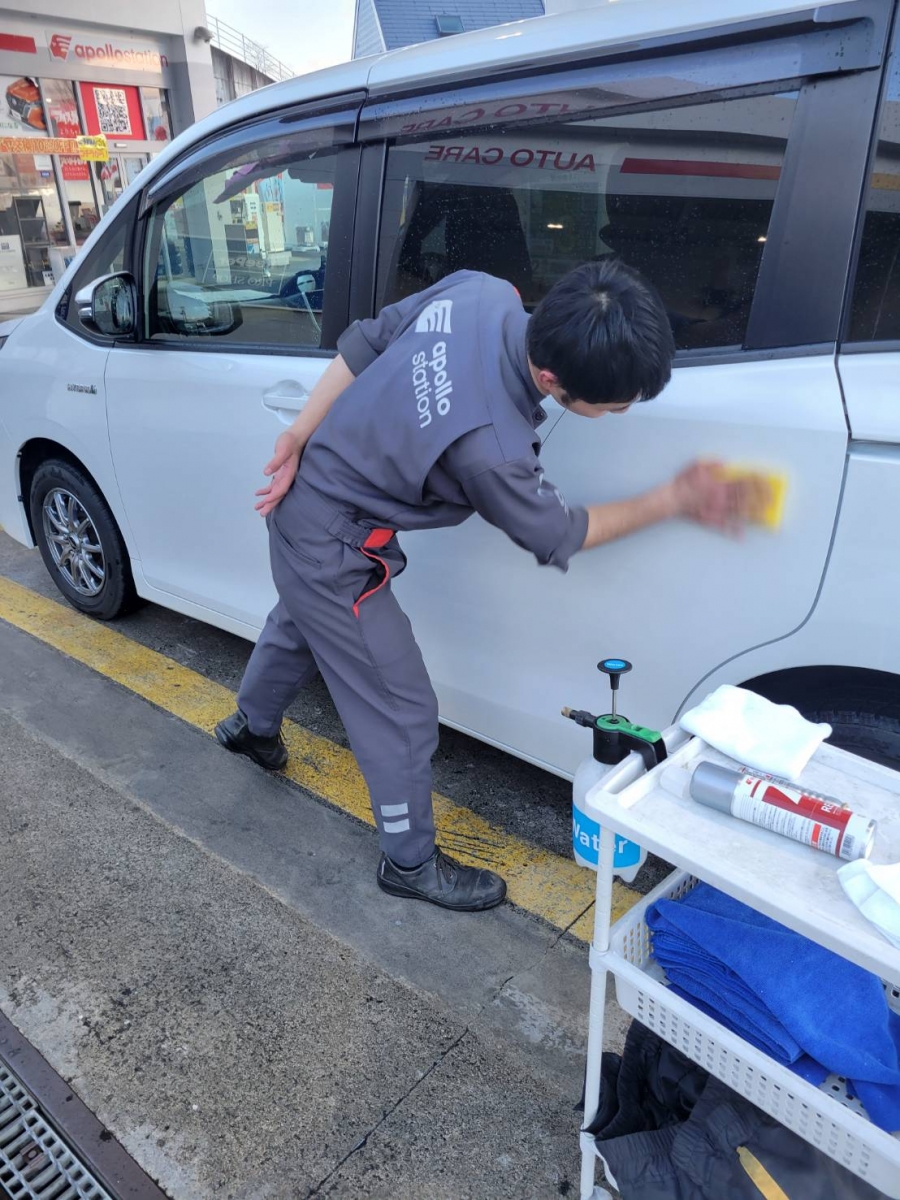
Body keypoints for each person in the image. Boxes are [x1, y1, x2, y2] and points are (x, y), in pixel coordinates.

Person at [216, 260, 761, 913]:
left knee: (304, 619)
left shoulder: (480, 292)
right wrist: (675, 498)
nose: (617, 414)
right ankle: (409, 862)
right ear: (553, 382)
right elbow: (559, 532)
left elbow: (366, 342)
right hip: (333, 543)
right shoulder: (494, 447)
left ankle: (250, 726)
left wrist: (298, 432)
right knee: (400, 709)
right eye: (613, 406)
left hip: (307, 512)